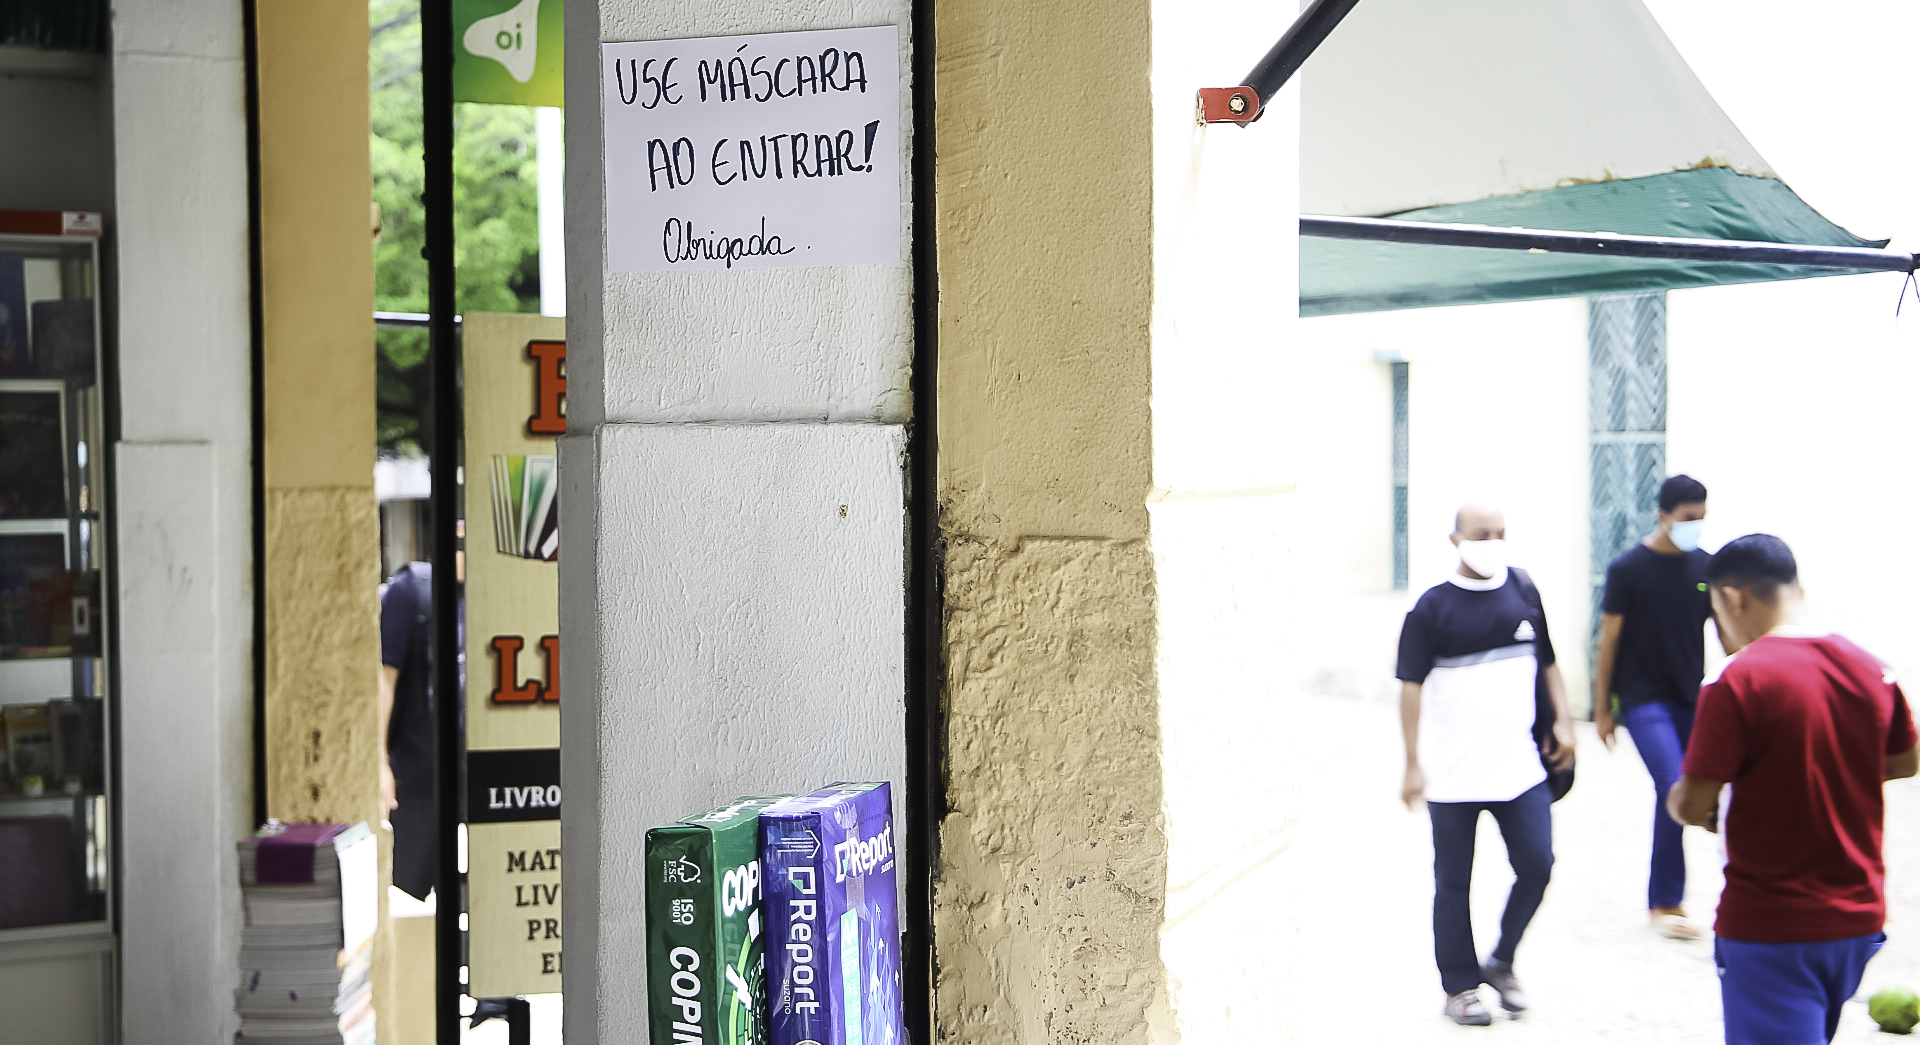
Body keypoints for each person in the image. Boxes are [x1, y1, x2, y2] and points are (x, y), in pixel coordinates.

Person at [1668, 535, 1918, 1045]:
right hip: (1857, 920)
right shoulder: (1873, 668)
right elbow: (1903, 762)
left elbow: (1693, 804)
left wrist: (1687, 799)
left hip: (1772, 923)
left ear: (1734, 598)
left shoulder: (1737, 679)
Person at [1398, 504, 1577, 1026]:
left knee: (1538, 865)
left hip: (1520, 771)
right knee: (1453, 883)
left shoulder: (1522, 591)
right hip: (1453, 777)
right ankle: (1459, 986)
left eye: (1500, 533)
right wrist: (1412, 764)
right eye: (1482, 534)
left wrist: (1564, 722)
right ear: (1455, 538)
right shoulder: (1431, 609)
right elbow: (1410, 687)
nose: (1493, 542)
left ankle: (1501, 961)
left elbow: (1548, 663)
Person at [1592, 474, 1718, 940]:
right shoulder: (1628, 569)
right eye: (1688, 519)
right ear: (1663, 516)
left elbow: (1727, 630)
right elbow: (1608, 641)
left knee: (1703, 788)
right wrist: (1603, 707)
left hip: (1691, 696)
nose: (1695, 527)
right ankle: (1665, 902)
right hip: (1643, 698)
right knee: (1672, 782)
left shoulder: (1706, 567)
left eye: (1702, 518)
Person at [380, 560, 438, 900]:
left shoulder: (501, 592)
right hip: (416, 780)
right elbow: (384, 681)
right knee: (406, 895)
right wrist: (379, 761)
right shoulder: (410, 590)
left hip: (478, 777)